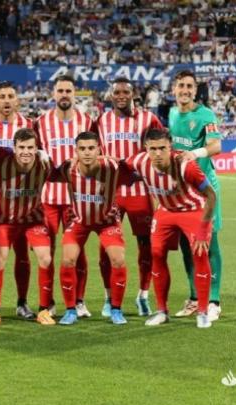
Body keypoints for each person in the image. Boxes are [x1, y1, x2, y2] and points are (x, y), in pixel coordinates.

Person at [122, 128, 216, 329]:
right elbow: (117, 165)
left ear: (170, 147)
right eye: (153, 149)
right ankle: (162, 311)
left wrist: (202, 229)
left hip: (192, 209)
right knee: (156, 253)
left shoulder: (185, 166)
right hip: (166, 211)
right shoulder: (139, 162)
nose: (157, 153)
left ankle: (203, 312)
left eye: (162, 148)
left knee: (199, 254)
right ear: (146, 148)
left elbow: (211, 196)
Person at [96, 77, 163, 318]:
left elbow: (162, 144)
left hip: (140, 191)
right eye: (117, 92)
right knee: (106, 245)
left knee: (146, 245)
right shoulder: (102, 121)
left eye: (126, 92)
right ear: (111, 95)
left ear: (133, 94)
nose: (122, 96)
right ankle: (108, 297)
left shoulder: (147, 119)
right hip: (111, 192)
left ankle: (143, 296)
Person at [52, 131, 129, 326]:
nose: (87, 153)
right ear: (75, 151)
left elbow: (134, 168)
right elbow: (48, 176)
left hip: (107, 221)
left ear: (99, 150)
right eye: (82, 149)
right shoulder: (69, 168)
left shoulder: (112, 167)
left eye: (91, 148)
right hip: (79, 221)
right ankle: (70, 310)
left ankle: (116, 309)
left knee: (118, 260)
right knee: (68, 259)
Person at [0, 81, 36, 320]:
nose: (7, 100)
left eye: (11, 96)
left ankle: (22, 303)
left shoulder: (29, 126)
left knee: (22, 254)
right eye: (2, 96)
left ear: (17, 100)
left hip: (22, 202)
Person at [35, 74, 94, 318]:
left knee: (77, 252)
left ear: (75, 93)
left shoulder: (87, 121)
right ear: (54, 94)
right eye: (60, 91)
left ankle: (78, 301)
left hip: (76, 199)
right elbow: (33, 152)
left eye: (68, 91)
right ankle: (47, 302)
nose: (64, 95)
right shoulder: (40, 122)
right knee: (45, 252)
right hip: (48, 197)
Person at [168, 70, 224, 322]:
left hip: (204, 190)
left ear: (195, 90)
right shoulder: (171, 114)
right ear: (174, 89)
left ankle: (213, 301)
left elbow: (216, 146)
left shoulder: (205, 115)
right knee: (185, 246)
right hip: (181, 190)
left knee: (209, 244)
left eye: (190, 86)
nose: (186, 90)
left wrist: (196, 153)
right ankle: (194, 298)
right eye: (181, 86)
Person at [0, 128, 55, 326]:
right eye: (21, 147)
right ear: (14, 148)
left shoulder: (45, 164)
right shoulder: (1, 161)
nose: (26, 151)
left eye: (30, 148)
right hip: (5, 220)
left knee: (46, 257)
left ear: (37, 148)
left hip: (32, 219)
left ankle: (44, 310)